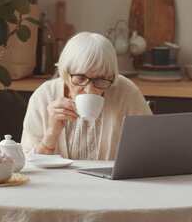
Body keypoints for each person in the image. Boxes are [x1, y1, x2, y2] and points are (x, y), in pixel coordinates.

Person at [21, 32, 152, 160]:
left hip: (111, 182)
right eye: (80, 78)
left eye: (100, 80)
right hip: (58, 182)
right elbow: (28, 167)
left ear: (111, 77)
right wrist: (51, 134)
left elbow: (151, 149)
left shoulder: (125, 92)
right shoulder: (44, 96)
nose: (89, 89)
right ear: (65, 74)